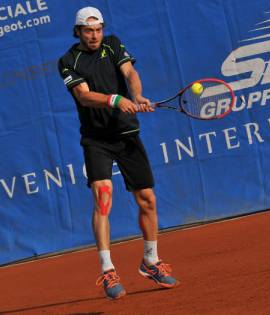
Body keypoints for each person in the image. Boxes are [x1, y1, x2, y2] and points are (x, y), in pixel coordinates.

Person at [58, 7, 180, 300]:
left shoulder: (113, 44)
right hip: (96, 139)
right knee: (103, 196)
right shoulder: (68, 61)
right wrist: (115, 99)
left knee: (147, 199)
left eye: (98, 30)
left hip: (126, 134)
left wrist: (136, 95)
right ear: (78, 32)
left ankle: (150, 261)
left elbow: (130, 72)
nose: (94, 35)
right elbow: (85, 97)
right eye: (88, 31)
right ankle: (107, 268)